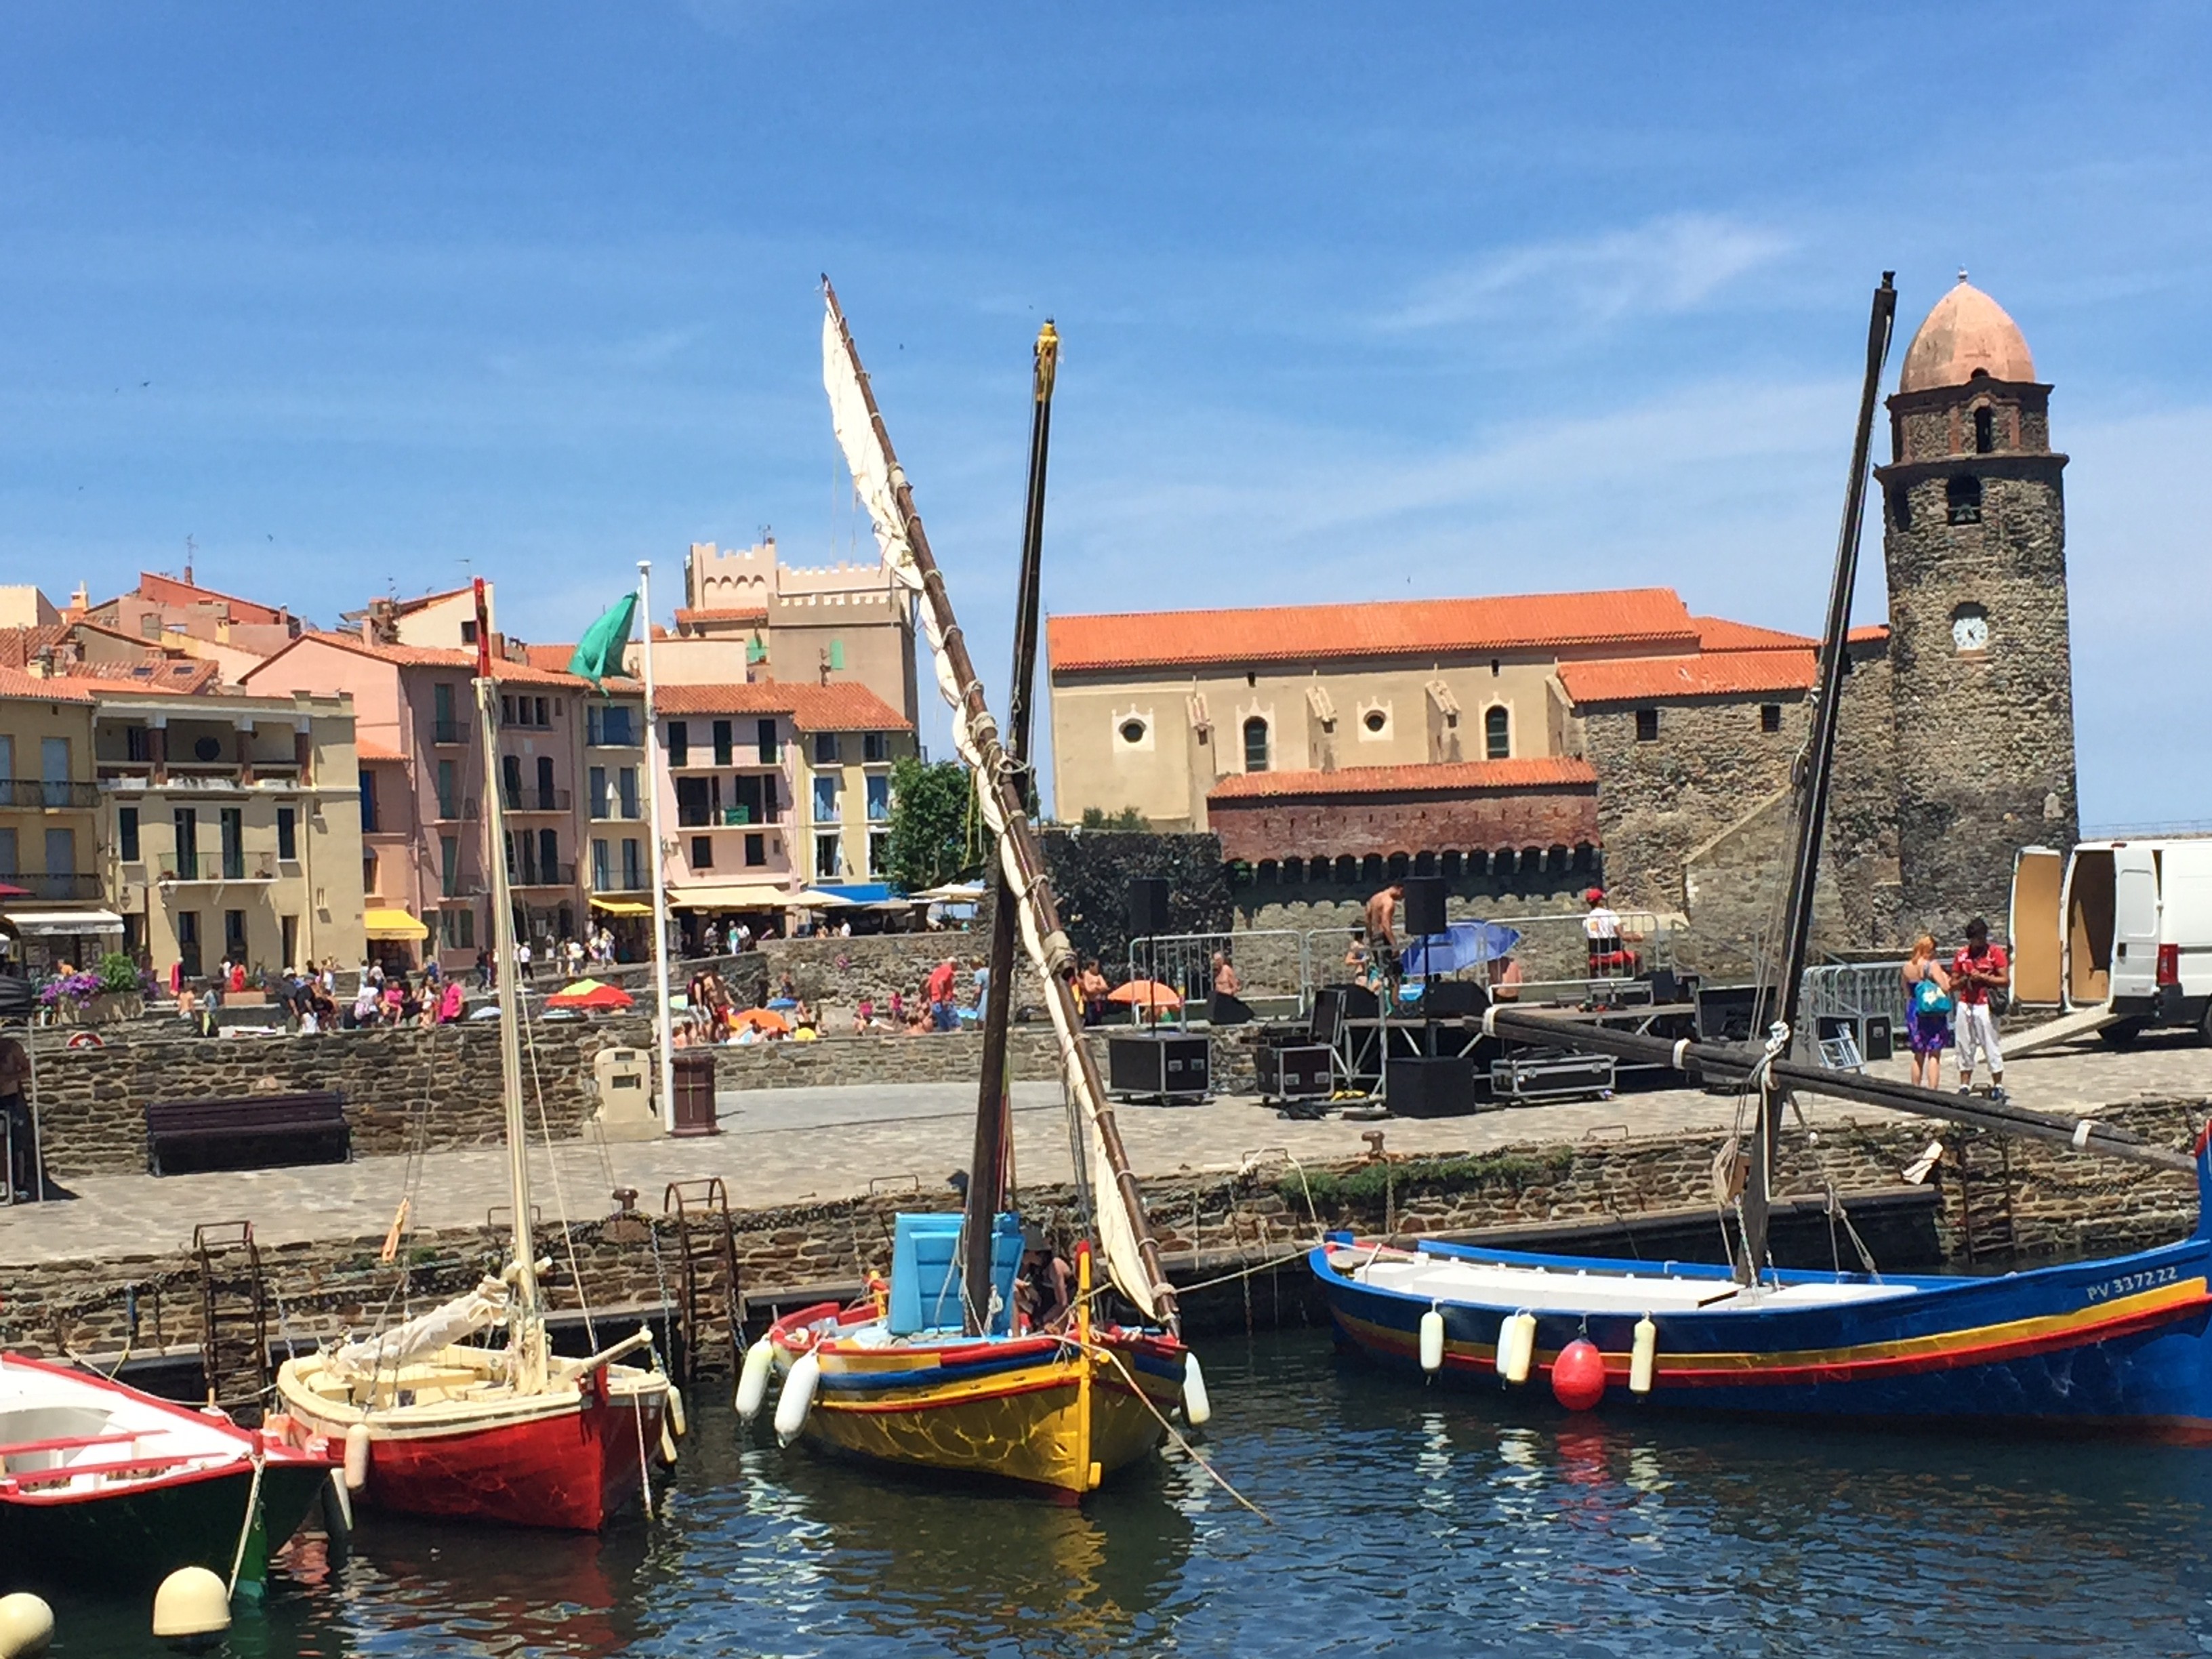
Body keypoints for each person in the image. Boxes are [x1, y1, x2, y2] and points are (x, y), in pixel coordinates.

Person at [1950, 917, 2010, 1103]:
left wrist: (1984, 978)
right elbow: (1952, 983)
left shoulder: (1995, 953)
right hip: (1966, 1002)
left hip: (1986, 1004)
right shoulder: (1961, 955)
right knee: (1964, 1044)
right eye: (1976, 939)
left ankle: (1998, 1084)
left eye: (1982, 938)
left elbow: (2005, 980)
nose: (1980, 942)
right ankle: (1964, 1084)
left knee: (1990, 1044)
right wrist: (1965, 979)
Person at [1902, 935, 1954, 1090]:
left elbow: (1906, 991)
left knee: (1918, 1053)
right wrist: (1946, 977)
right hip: (1932, 1011)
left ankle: (1916, 1090)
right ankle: (1932, 1091)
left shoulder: (1906, 967)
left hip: (1914, 1009)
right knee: (1934, 1053)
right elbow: (1945, 987)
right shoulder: (1931, 965)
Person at [0, 1036, 35, 1202]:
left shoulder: (11, 1047)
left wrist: (9, 1078)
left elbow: (28, 1070)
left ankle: (18, 1186)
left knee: (15, 1142)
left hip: (9, 1099)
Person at [1209, 950, 1252, 1025]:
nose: (1216, 962)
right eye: (1215, 960)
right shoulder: (1216, 971)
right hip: (1218, 997)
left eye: (1218, 960)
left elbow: (1235, 986)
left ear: (1222, 960)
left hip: (1226, 996)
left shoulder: (1227, 969)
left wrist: (1230, 992)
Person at [925, 957, 958, 1031]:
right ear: (952, 964)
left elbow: (927, 986)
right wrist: (943, 999)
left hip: (935, 1004)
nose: (957, 967)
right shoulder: (948, 970)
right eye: (956, 965)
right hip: (944, 1003)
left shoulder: (936, 971)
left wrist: (931, 998)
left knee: (944, 1029)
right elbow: (940, 983)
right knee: (957, 1026)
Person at [1078, 960, 1109, 1027]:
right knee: (1090, 1021)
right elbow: (1088, 989)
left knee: (1097, 1022)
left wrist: (1096, 987)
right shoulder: (1086, 975)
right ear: (1091, 967)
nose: (1098, 969)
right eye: (1096, 967)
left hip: (1098, 1002)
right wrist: (1098, 988)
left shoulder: (1099, 976)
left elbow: (1106, 987)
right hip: (1089, 1003)